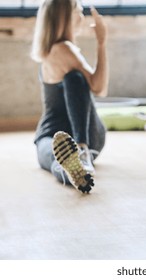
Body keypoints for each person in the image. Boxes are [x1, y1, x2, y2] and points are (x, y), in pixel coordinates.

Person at [31, 0, 109, 193]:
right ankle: (77, 171)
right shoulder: (64, 48)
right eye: (79, 12)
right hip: (89, 138)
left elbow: (98, 89)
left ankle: (78, 155)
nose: (82, 18)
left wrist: (101, 42)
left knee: (52, 156)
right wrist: (101, 42)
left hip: (56, 135)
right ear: (65, 17)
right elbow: (100, 88)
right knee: (59, 158)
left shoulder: (51, 50)